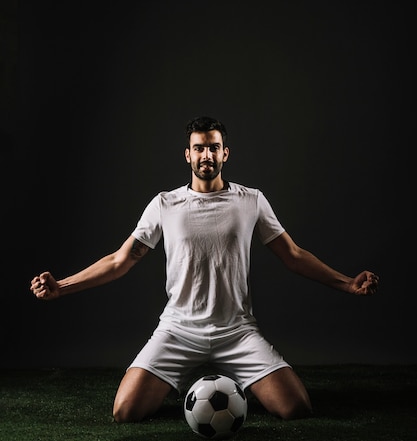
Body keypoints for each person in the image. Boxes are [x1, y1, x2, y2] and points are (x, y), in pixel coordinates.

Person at [30, 115, 379, 423]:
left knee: (296, 407)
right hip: (178, 331)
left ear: (225, 153)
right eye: (199, 149)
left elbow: (293, 255)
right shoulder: (165, 204)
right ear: (188, 155)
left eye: (213, 148)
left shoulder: (251, 200)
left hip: (237, 332)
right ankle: (174, 378)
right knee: (125, 411)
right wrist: (62, 286)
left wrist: (348, 284)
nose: (206, 156)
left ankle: (233, 374)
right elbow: (120, 260)